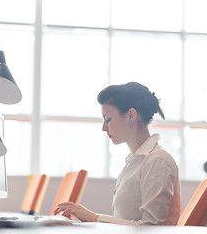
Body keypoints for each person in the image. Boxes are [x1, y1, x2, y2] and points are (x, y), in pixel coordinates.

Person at [53, 82, 181, 225]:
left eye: (108, 119)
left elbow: (151, 228)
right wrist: (92, 218)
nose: (103, 127)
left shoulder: (157, 161)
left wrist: (94, 218)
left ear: (131, 115)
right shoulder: (135, 161)